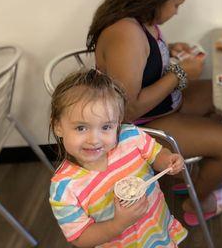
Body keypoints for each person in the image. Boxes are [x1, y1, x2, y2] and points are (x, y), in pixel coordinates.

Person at [86, 0, 222, 225]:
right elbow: (128, 109)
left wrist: (168, 52)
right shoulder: (126, 32)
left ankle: (187, 176)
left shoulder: (141, 19)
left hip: (162, 106)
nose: (177, 11)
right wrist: (178, 74)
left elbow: (140, 63)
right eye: (176, 4)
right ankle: (196, 203)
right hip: (140, 125)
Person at [49, 69, 187, 247]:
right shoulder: (65, 188)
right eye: (81, 128)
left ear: (118, 122)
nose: (94, 140)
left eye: (106, 127)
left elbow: (156, 154)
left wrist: (168, 160)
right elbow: (80, 238)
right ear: (58, 126)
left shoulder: (130, 138)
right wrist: (118, 224)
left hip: (157, 231)